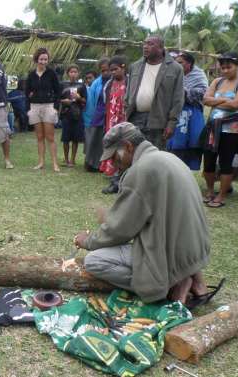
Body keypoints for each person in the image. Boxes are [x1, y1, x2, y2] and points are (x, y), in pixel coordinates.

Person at [73, 122, 214, 307]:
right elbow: (151, 214)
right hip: (194, 253)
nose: (114, 164)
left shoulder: (141, 170)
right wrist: (112, 218)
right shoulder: (168, 158)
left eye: (115, 157)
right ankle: (195, 279)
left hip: (173, 255)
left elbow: (119, 230)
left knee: (94, 261)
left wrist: (88, 241)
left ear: (128, 147)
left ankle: (171, 285)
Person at [201, 52, 238, 208]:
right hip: (213, 127)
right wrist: (225, 100)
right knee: (208, 161)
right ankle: (210, 191)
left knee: (226, 162)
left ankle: (221, 196)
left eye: (229, 67)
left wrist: (215, 101)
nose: (225, 70)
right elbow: (205, 99)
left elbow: (236, 104)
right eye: (222, 67)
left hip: (232, 129)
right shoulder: (217, 81)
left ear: (237, 66)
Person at [125, 35, 184, 150]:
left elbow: (178, 99)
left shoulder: (175, 68)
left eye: (150, 44)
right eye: (144, 43)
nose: (145, 47)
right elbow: (128, 93)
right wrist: (125, 111)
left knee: (154, 155)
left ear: (161, 48)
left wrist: (171, 123)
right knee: (133, 153)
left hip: (159, 121)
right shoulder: (135, 66)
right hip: (135, 118)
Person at [167, 52, 208, 171]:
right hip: (175, 113)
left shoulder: (198, 75)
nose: (177, 65)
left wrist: (183, 92)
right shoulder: (171, 73)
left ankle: (188, 172)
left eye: (180, 62)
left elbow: (203, 93)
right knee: (175, 143)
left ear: (189, 64)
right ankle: (174, 171)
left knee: (193, 141)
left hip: (192, 113)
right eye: (176, 62)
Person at [25, 47, 61, 171]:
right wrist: (28, 108)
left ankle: (55, 163)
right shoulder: (31, 74)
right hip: (34, 107)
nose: (43, 61)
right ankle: (41, 162)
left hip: (48, 106)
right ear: (36, 59)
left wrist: (56, 107)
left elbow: (58, 91)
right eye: (41, 59)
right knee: (39, 137)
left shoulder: (52, 73)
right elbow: (26, 92)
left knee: (50, 137)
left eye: (45, 59)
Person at [99, 55, 128, 194]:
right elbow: (106, 101)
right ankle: (113, 172)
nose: (113, 72)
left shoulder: (130, 82)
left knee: (124, 147)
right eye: (111, 70)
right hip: (111, 118)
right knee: (112, 145)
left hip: (125, 120)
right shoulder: (109, 84)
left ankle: (123, 174)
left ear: (123, 67)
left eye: (115, 69)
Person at [83, 58, 111, 172]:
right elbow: (91, 101)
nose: (106, 73)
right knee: (95, 139)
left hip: (111, 114)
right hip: (98, 114)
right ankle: (93, 164)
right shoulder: (96, 83)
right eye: (103, 71)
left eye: (108, 70)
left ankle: (107, 165)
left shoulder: (116, 81)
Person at [60, 64, 87, 167]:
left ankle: (72, 160)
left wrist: (79, 97)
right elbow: (58, 98)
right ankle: (66, 159)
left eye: (75, 72)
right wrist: (64, 101)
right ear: (67, 73)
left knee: (75, 138)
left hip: (77, 114)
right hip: (66, 114)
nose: (73, 74)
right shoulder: (63, 85)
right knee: (65, 138)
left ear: (78, 73)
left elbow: (85, 100)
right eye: (71, 72)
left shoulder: (82, 86)